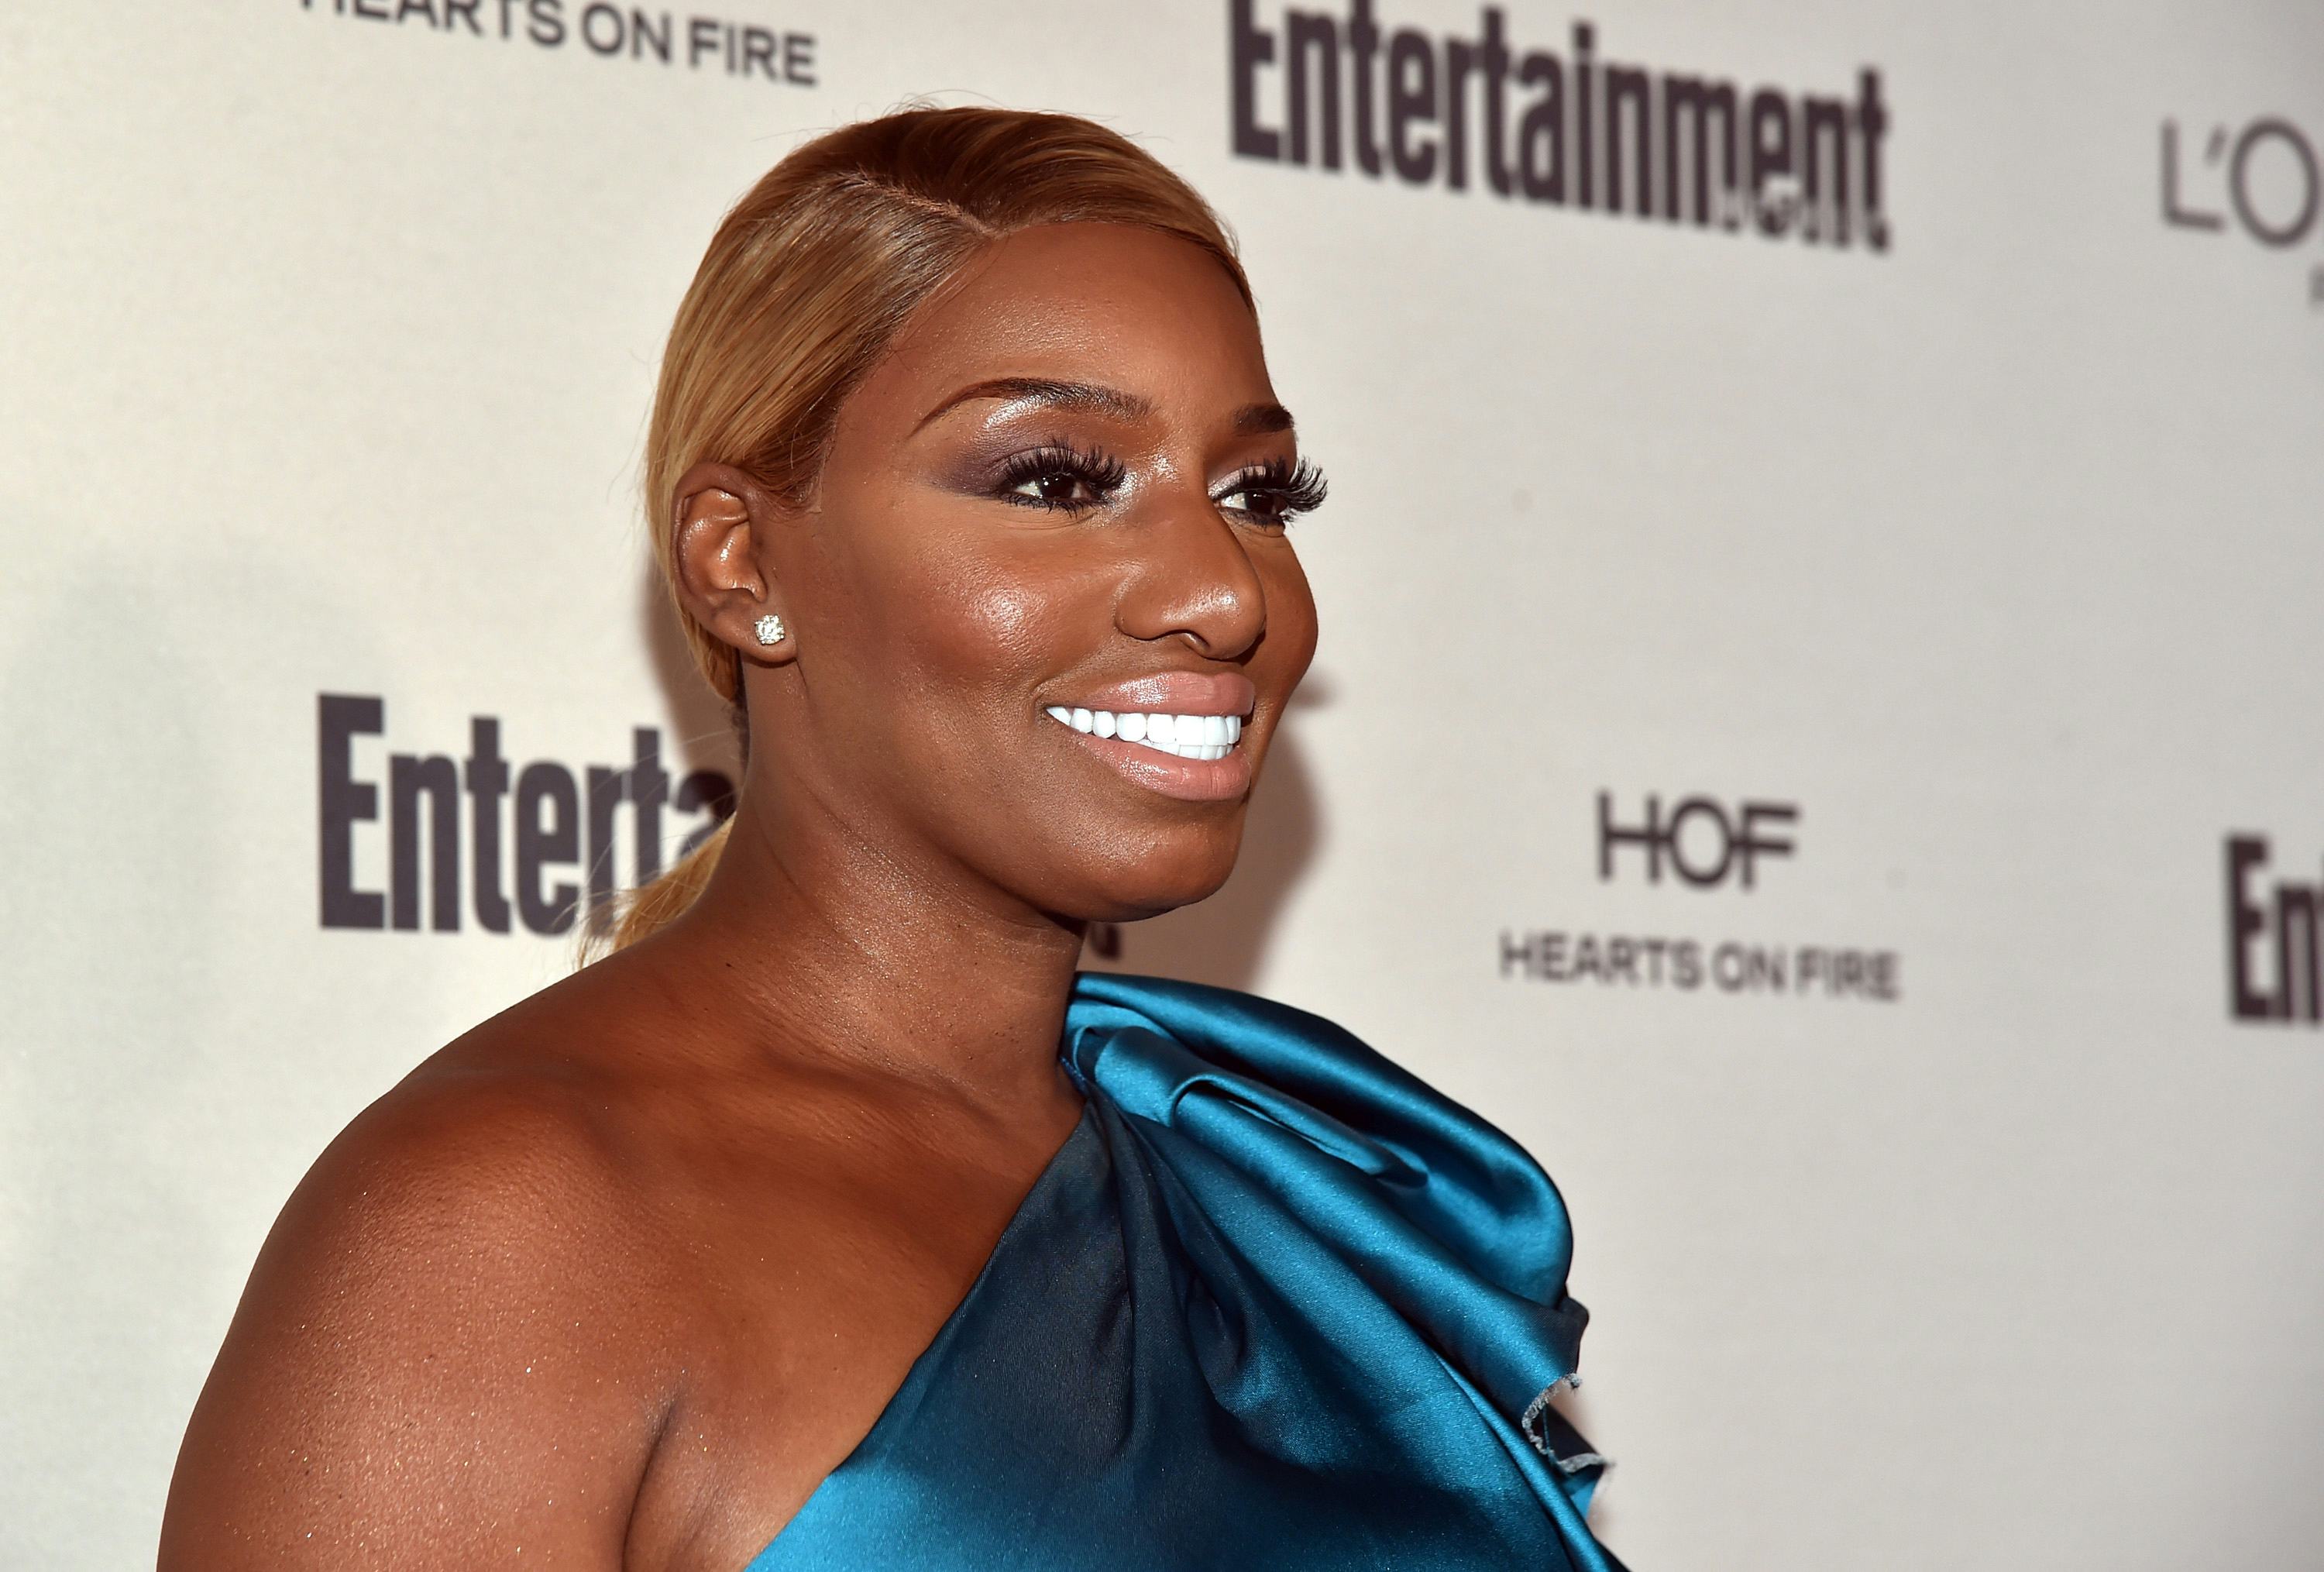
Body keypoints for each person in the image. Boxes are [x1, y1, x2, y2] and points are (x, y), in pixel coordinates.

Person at [160, 105, 1623, 1570]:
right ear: (741, 562)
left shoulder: (1271, 1192)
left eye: (1256, 494)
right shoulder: (499, 1234)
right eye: (1058, 480)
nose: (1227, 593)